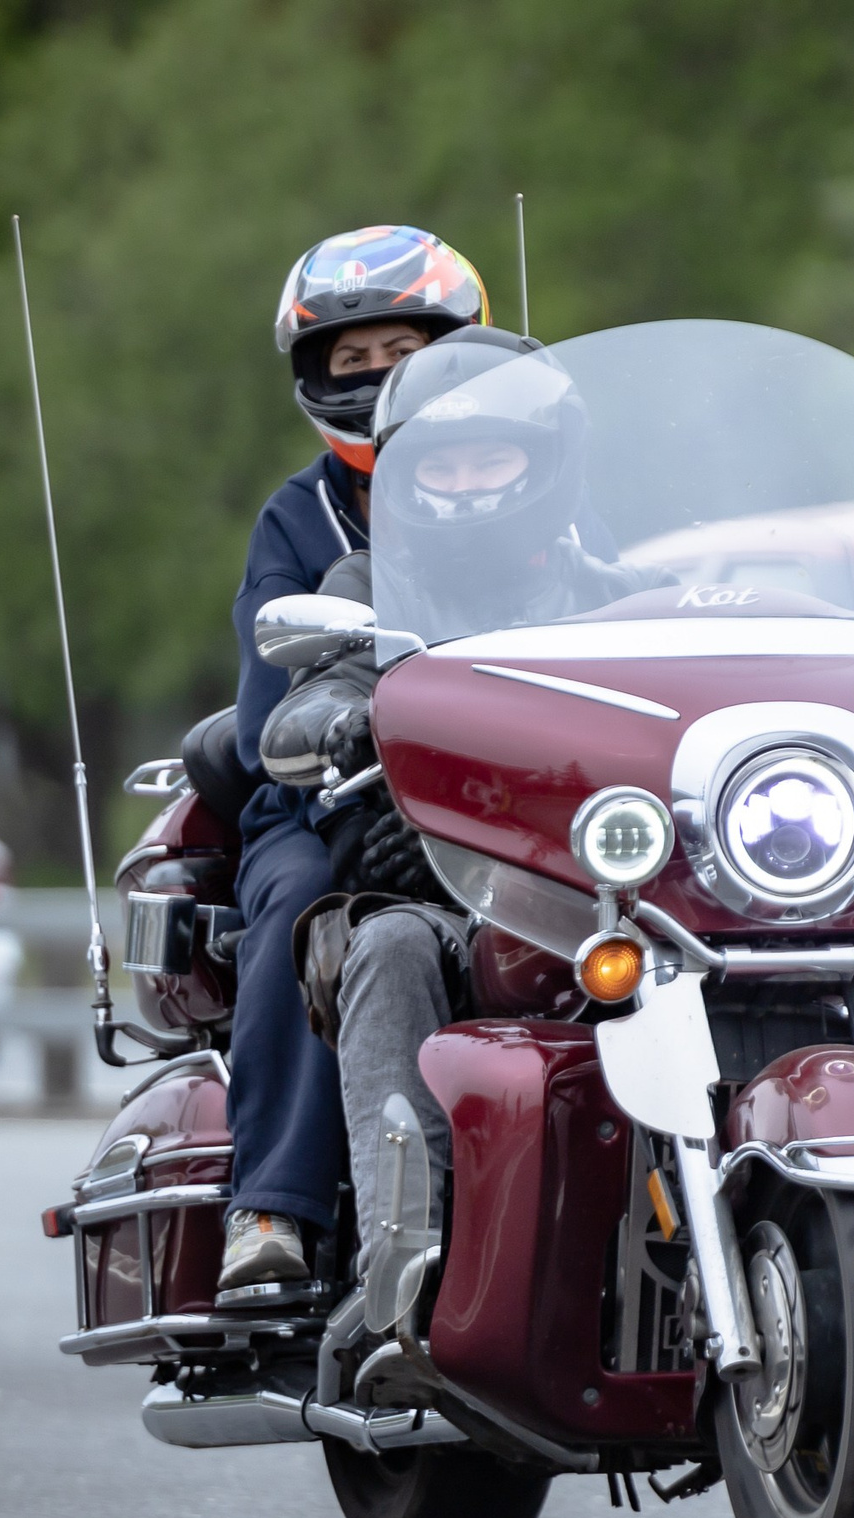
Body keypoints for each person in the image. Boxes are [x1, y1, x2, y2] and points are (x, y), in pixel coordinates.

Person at [282, 330, 674, 1276]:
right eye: (440, 462)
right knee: (386, 945)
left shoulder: (631, 599)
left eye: (489, 456)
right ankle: (403, 1262)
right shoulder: (371, 587)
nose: (463, 483)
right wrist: (343, 724)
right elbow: (301, 710)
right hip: (452, 901)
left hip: (622, 902)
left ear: (547, 463)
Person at [218, 226, 494, 1292]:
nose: (383, 380)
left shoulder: (537, 496)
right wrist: (341, 746)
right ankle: (272, 1210)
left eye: (408, 355)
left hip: (515, 803)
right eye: (355, 360)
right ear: (313, 377)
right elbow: (266, 724)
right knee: (297, 899)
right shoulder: (301, 517)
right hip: (333, 800)